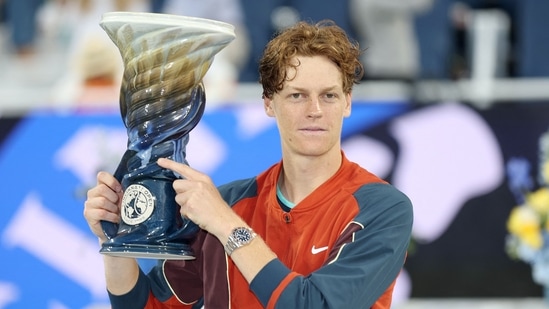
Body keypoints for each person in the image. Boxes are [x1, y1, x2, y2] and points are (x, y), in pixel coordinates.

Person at [83, 19, 413, 309]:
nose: (315, 110)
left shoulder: (382, 208)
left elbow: (314, 304)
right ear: (269, 103)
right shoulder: (228, 203)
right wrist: (112, 240)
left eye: (329, 95)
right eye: (297, 95)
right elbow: (150, 307)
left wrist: (227, 226)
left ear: (347, 103)